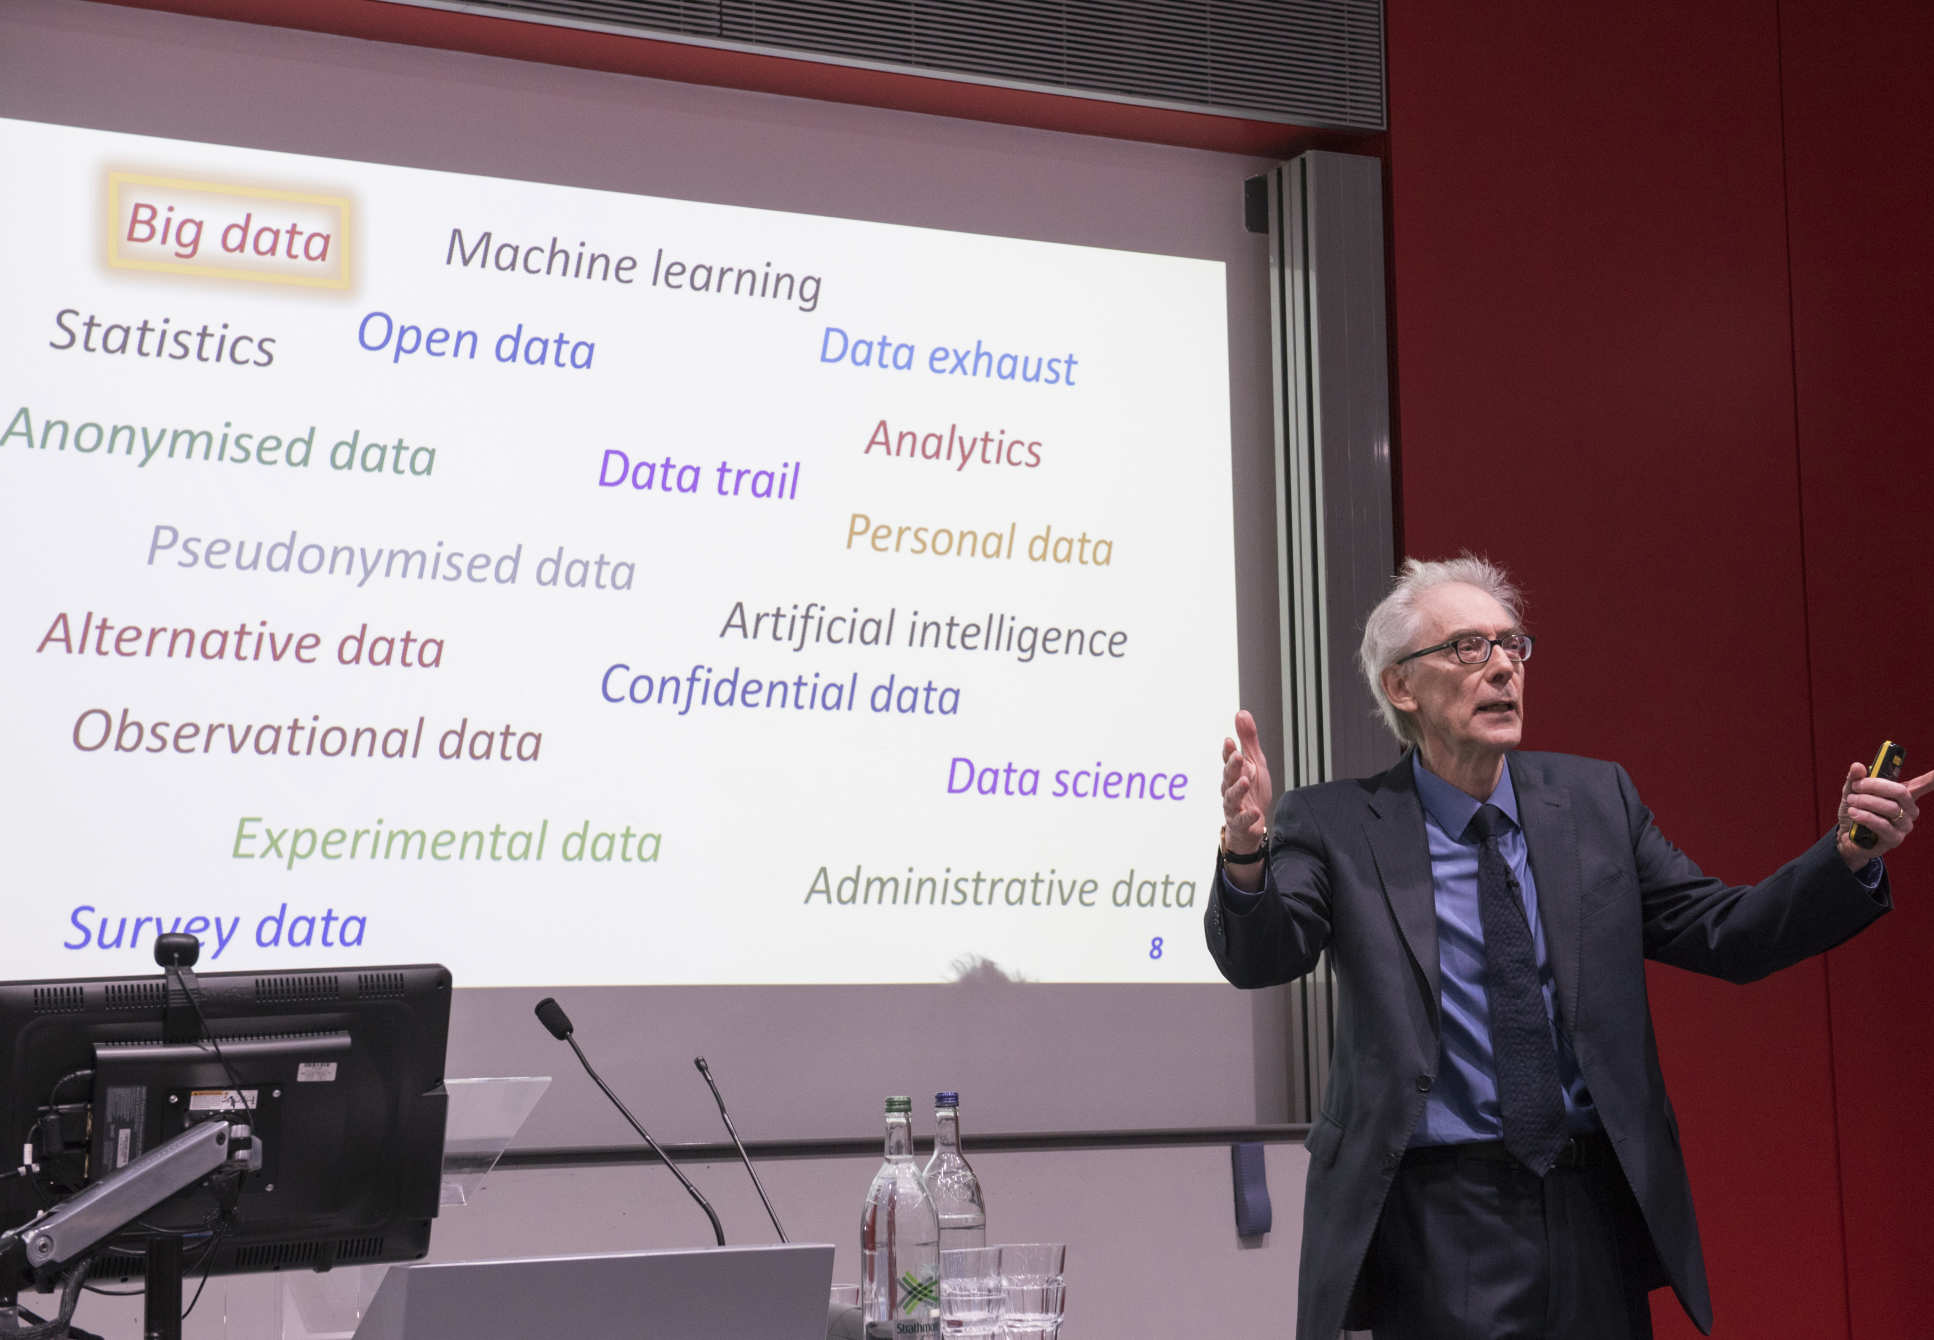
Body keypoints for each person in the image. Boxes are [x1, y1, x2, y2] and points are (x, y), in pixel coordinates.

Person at [1206, 555, 1926, 1340]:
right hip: (1436, 1218)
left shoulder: (1595, 801)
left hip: (1591, 1208)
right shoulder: (1336, 823)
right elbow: (1263, 957)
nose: (1502, 667)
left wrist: (1846, 856)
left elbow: (1729, 933)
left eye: (1512, 644)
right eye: (1469, 647)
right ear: (1400, 687)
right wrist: (1246, 854)